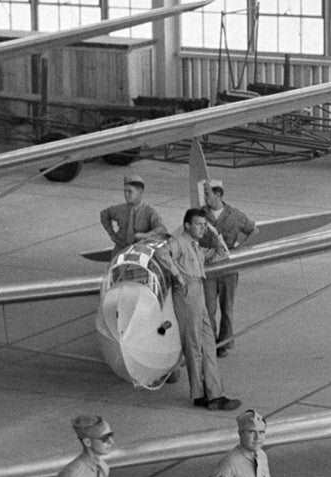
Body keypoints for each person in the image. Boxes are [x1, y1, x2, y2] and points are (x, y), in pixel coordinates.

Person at [154, 206, 239, 411]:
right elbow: (160, 252)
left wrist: (214, 232)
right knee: (194, 346)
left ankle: (207, 393)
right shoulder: (180, 243)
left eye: (204, 224)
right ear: (187, 226)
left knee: (207, 344)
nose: (202, 228)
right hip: (186, 293)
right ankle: (207, 395)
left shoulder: (196, 246)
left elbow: (222, 253)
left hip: (198, 292)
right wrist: (177, 275)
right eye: (199, 225)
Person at [201, 179, 256, 354]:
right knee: (208, 309)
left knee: (227, 308)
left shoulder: (235, 215)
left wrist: (240, 246)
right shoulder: (200, 215)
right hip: (208, 269)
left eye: (208, 194)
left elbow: (253, 230)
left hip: (228, 269)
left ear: (218, 194)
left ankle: (224, 344)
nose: (205, 197)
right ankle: (209, 343)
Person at [99, 175, 167, 252]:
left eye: (130, 191)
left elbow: (161, 229)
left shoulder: (149, 212)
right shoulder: (119, 209)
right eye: (125, 191)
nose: (126, 195)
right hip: (121, 249)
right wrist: (112, 234)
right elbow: (104, 215)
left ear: (140, 192)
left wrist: (145, 235)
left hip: (140, 250)